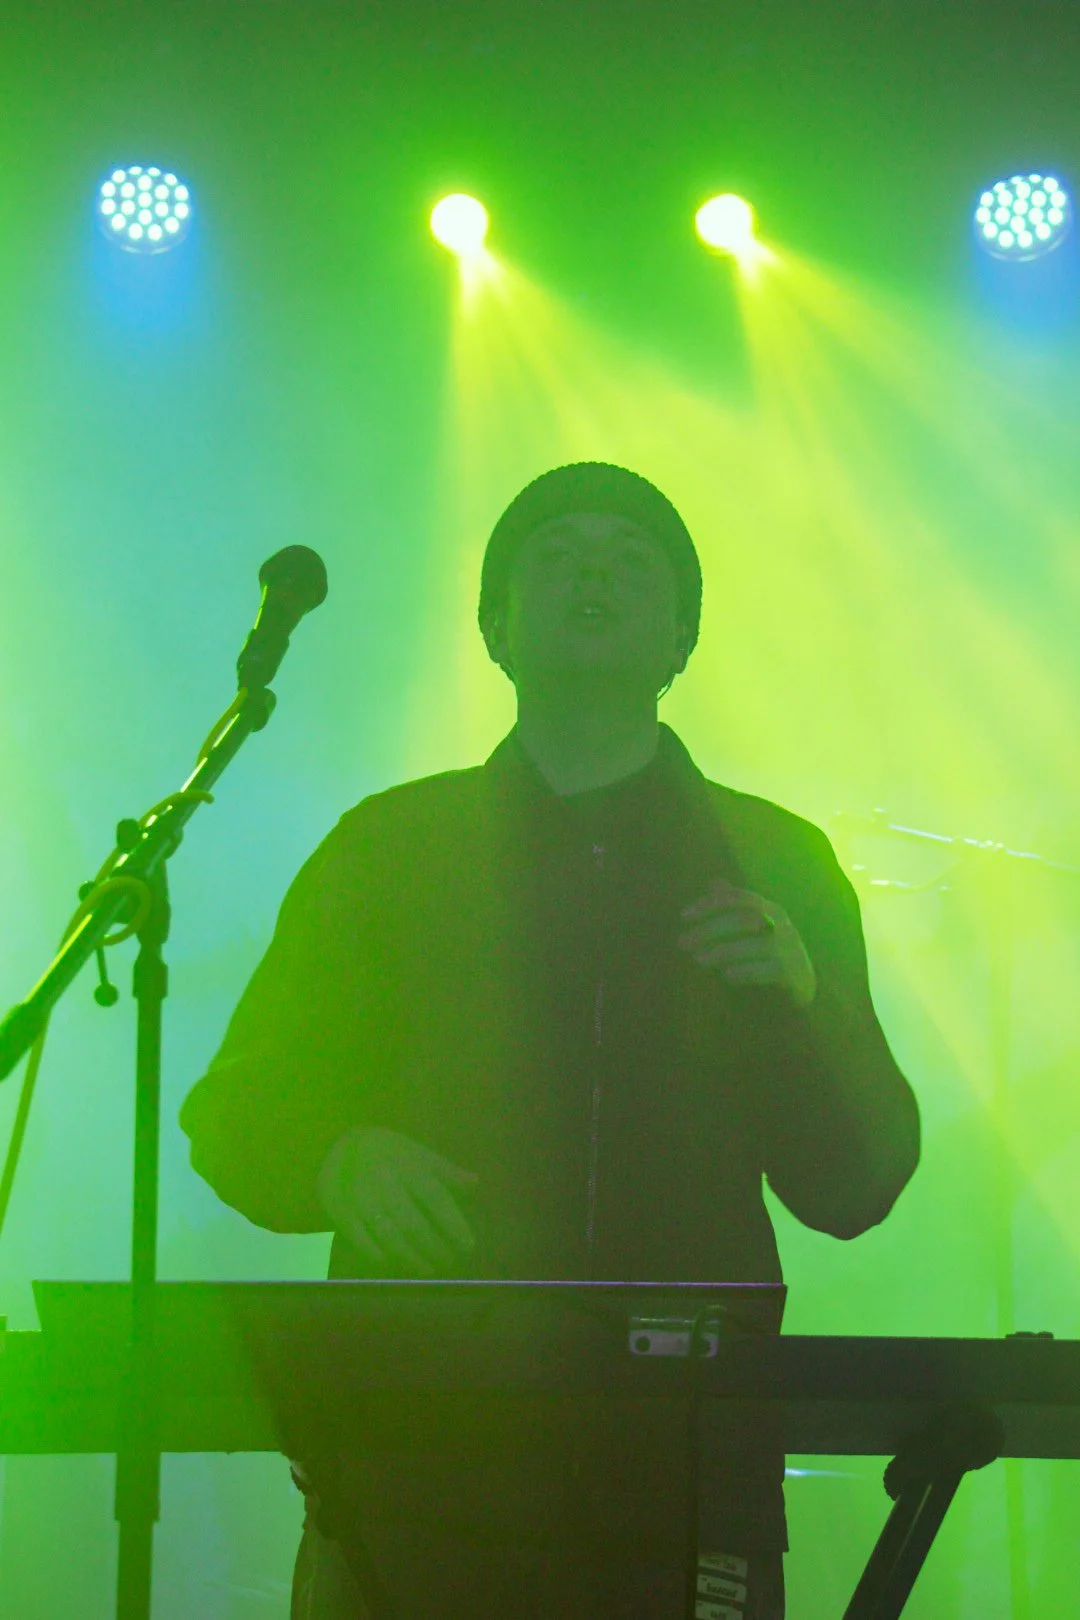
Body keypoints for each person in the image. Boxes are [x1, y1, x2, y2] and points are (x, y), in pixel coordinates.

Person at [180, 461, 921, 1619]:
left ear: (682, 637)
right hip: (408, 1468)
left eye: (632, 562)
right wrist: (332, 1158)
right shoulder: (389, 847)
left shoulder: (776, 859)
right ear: (495, 626)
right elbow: (234, 1106)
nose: (594, 576)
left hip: (683, 1472)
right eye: (558, 556)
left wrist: (805, 1001)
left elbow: (858, 1185)